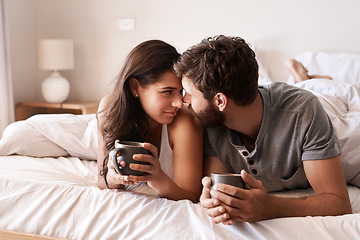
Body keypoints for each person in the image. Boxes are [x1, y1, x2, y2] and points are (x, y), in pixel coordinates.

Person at [174, 35, 352, 223]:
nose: (183, 102)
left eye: (189, 94)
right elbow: (217, 188)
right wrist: (212, 201)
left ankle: (304, 78)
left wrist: (269, 207)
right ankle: (302, 79)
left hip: (329, 109)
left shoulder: (303, 111)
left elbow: (339, 203)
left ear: (220, 101)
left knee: (332, 96)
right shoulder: (211, 123)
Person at [97, 40, 203, 202]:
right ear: (135, 87)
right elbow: (102, 182)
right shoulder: (109, 109)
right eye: (167, 92)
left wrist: (158, 178)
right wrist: (112, 178)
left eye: (180, 92)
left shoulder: (183, 121)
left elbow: (192, 196)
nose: (179, 103)